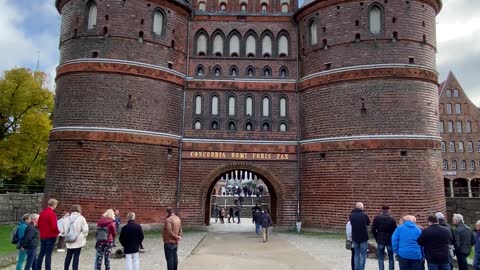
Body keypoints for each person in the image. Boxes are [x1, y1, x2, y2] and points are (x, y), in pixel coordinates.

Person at [36, 198, 60, 270]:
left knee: (41, 253)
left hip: (43, 236)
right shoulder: (52, 214)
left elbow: (39, 224)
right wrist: (58, 232)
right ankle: (48, 268)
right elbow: (53, 226)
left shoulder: (42, 213)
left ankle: (38, 267)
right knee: (48, 254)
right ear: (54, 205)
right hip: (51, 236)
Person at [371, 205, 397, 270]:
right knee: (391, 258)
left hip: (380, 239)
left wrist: (376, 237)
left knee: (380, 258)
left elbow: (373, 229)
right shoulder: (392, 219)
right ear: (389, 210)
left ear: (381, 210)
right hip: (389, 240)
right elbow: (395, 230)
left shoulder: (376, 218)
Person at [63, 204, 89, 270]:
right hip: (78, 240)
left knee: (68, 256)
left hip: (69, 239)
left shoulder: (66, 218)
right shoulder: (81, 218)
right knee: (76, 256)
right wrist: (84, 235)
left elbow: (63, 229)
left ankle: (65, 268)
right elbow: (85, 230)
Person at [349, 202, 370, 270]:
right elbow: (368, 223)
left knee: (356, 254)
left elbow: (351, 223)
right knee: (363, 255)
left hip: (355, 237)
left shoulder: (351, 215)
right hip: (363, 237)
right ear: (361, 207)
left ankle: (356, 268)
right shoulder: (364, 215)